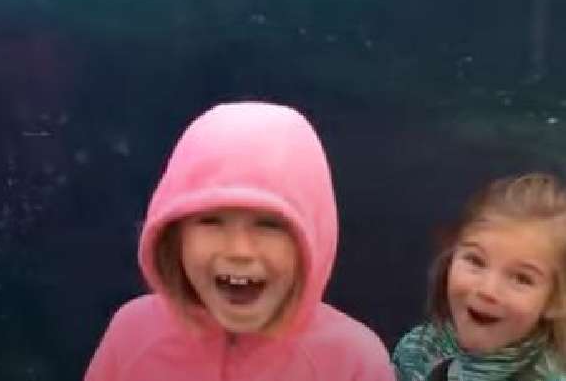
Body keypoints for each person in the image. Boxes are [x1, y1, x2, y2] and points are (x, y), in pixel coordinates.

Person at [85, 101, 393, 380]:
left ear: (312, 236)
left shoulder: (354, 362)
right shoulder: (132, 335)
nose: (239, 250)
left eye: (269, 225)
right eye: (210, 221)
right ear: (172, 235)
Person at [393, 172, 566, 380]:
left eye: (521, 279)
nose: (488, 290)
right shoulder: (416, 351)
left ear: (555, 300)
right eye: (475, 261)